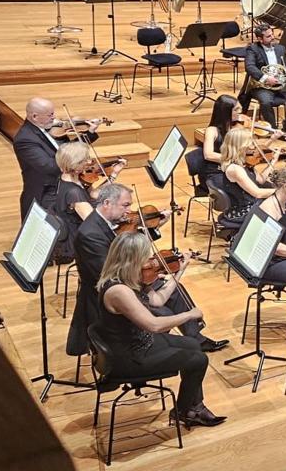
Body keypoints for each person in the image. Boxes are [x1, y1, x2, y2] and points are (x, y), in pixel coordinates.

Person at [72, 183, 221, 357]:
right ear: (107, 203)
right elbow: (109, 272)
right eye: (125, 205)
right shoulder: (90, 235)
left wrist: (155, 229)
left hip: (126, 279)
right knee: (163, 310)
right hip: (109, 293)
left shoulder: (112, 223)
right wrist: (150, 272)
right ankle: (158, 350)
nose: (129, 211)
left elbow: (131, 248)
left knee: (175, 290)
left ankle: (195, 337)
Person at [96, 232, 225, 429]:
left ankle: (194, 407)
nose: (150, 261)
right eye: (146, 257)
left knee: (193, 345)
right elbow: (154, 325)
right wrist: (189, 314)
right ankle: (184, 411)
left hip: (140, 342)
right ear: (132, 259)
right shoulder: (118, 291)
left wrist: (179, 272)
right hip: (130, 356)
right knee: (199, 360)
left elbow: (158, 300)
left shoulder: (129, 278)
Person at [15, 97, 103, 220]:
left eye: (53, 113)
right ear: (35, 116)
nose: (54, 117)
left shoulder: (53, 130)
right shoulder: (25, 140)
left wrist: (89, 133)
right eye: (49, 115)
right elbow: (50, 167)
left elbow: (70, 149)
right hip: (46, 194)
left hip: (63, 186)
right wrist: (77, 162)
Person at [53, 142, 125, 268]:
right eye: (85, 160)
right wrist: (117, 217)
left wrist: (113, 174)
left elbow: (96, 194)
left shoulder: (73, 178)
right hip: (77, 239)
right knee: (125, 242)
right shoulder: (73, 193)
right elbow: (93, 222)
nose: (89, 162)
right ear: (75, 164)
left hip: (81, 229)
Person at [217, 126, 277, 224]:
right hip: (243, 211)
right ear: (241, 146)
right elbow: (257, 193)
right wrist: (282, 192)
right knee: (279, 207)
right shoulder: (235, 169)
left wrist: (273, 162)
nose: (254, 146)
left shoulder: (244, 163)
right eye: (251, 144)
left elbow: (261, 180)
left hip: (252, 204)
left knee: (281, 207)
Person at [241, 24, 286, 125]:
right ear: (259, 39)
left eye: (272, 34)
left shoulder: (280, 48)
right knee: (266, 102)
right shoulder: (253, 49)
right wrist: (266, 78)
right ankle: (273, 130)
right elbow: (249, 67)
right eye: (268, 36)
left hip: (280, 84)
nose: (272, 38)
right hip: (261, 86)